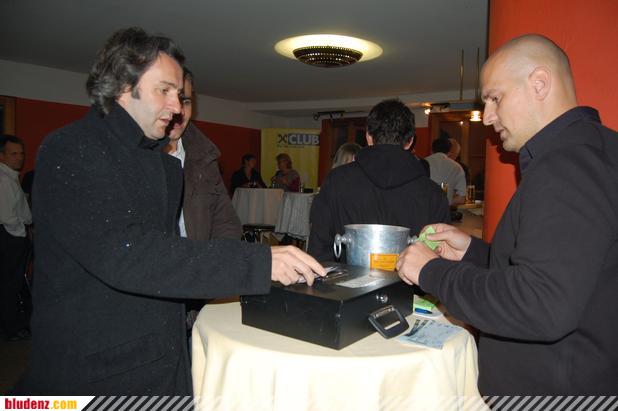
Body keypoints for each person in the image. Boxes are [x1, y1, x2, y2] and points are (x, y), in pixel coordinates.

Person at [15, 27, 325, 395]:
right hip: (99, 373)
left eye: (179, 95)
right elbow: (131, 254)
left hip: (153, 357)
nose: (177, 107)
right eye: (164, 90)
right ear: (122, 85)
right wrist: (258, 262)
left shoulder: (148, 157)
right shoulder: (72, 149)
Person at [396, 34, 618, 395]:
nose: (487, 117)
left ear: (540, 84)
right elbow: (567, 272)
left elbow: (540, 304)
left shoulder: (567, 164)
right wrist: (473, 252)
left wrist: (432, 271)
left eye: (495, 98)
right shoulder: (597, 149)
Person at [308, 99, 450, 262]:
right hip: (410, 278)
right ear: (410, 141)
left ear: (368, 137)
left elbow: (318, 250)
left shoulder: (336, 181)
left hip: (346, 278)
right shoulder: (434, 194)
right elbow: (440, 259)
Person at [165, 68, 241, 241]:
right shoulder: (130, 158)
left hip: (202, 257)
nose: (179, 111)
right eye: (169, 99)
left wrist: (216, 256)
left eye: (185, 101)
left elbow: (226, 222)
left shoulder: (204, 156)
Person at [0, 135, 32, 341]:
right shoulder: (4, 180)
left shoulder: (10, 176)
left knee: (11, 284)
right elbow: (6, 216)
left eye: (21, 153)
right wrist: (21, 233)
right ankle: (11, 329)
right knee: (10, 285)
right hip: (11, 237)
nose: (19, 158)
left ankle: (10, 327)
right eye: (13, 154)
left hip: (13, 235)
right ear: (1, 156)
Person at [425, 138, 467, 205]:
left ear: (431, 151)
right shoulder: (457, 167)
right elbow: (461, 199)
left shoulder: (422, 163)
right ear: (449, 152)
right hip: (445, 208)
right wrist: (447, 201)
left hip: (424, 206)